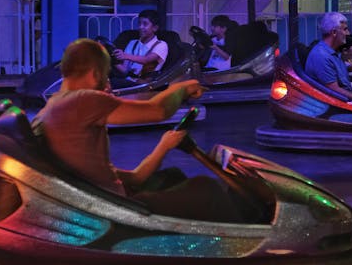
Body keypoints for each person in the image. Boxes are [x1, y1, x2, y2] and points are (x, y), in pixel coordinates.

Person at [31, 38, 244, 222]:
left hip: (101, 201)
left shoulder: (50, 110)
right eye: (106, 77)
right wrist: (181, 88)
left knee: (172, 177)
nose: (108, 86)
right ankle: (245, 252)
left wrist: (164, 146)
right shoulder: (82, 100)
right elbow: (158, 111)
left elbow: (134, 179)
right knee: (207, 188)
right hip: (116, 211)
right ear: (96, 74)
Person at [113, 9, 168, 77]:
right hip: (130, 82)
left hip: (147, 85)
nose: (140, 27)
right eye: (139, 23)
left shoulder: (161, 45)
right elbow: (125, 71)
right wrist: (112, 61)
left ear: (155, 28)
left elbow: (146, 60)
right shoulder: (132, 43)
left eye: (145, 24)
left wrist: (125, 55)